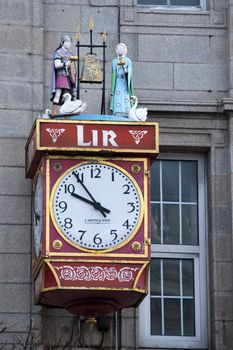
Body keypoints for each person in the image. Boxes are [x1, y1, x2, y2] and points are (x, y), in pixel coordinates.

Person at [50, 35, 76, 115]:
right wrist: (65, 64)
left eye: (70, 42)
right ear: (63, 42)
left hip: (68, 77)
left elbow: (73, 67)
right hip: (61, 76)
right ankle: (54, 113)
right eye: (67, 42)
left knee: (67, 96)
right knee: (58, 94)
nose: (69, 44)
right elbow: (56, 64)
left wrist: (74, 71)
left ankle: (66, 114)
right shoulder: (58, 52)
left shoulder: (71, 54)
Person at [110, 43, 134, 116]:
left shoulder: (128, 61)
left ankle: (126, 110)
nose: (120, 50)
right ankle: (117, 110)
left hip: (124, 81)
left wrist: (124, 67)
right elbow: (113, 72)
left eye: (122, 48)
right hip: (118, 81)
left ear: (125, 50)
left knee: (125, 95)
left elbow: (129, 72)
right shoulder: (114, 61)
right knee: (117, 95)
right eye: (118, 48)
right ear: (116, 50)